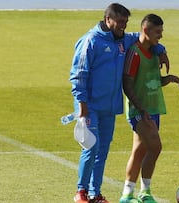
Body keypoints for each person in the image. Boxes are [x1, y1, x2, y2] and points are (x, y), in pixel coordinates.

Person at [69, 4, 169, 203]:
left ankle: (94, 193)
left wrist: (160, 48)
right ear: (108, 19)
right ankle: (81, 192)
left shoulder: (123, 39)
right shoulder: (91, 40)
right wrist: (81, 102)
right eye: (120, 21)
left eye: (125, 22)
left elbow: (143, 38)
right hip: (89, 105)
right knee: (91, 147)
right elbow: (78, 73)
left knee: (102, 150)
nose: (123, 26)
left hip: (109, 106)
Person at [120, 14, 179, 203]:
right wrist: (140, 108)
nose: (161, 36)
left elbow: (151, 81)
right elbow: (127, 83)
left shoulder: (154, 52)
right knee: (155, 147)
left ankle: (127, 194)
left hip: (153, 108)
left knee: (139, 151)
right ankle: (145, 192)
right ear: (146, 30)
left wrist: (167, 79)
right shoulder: (134, 53)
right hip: (140, 111)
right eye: (158, 32)